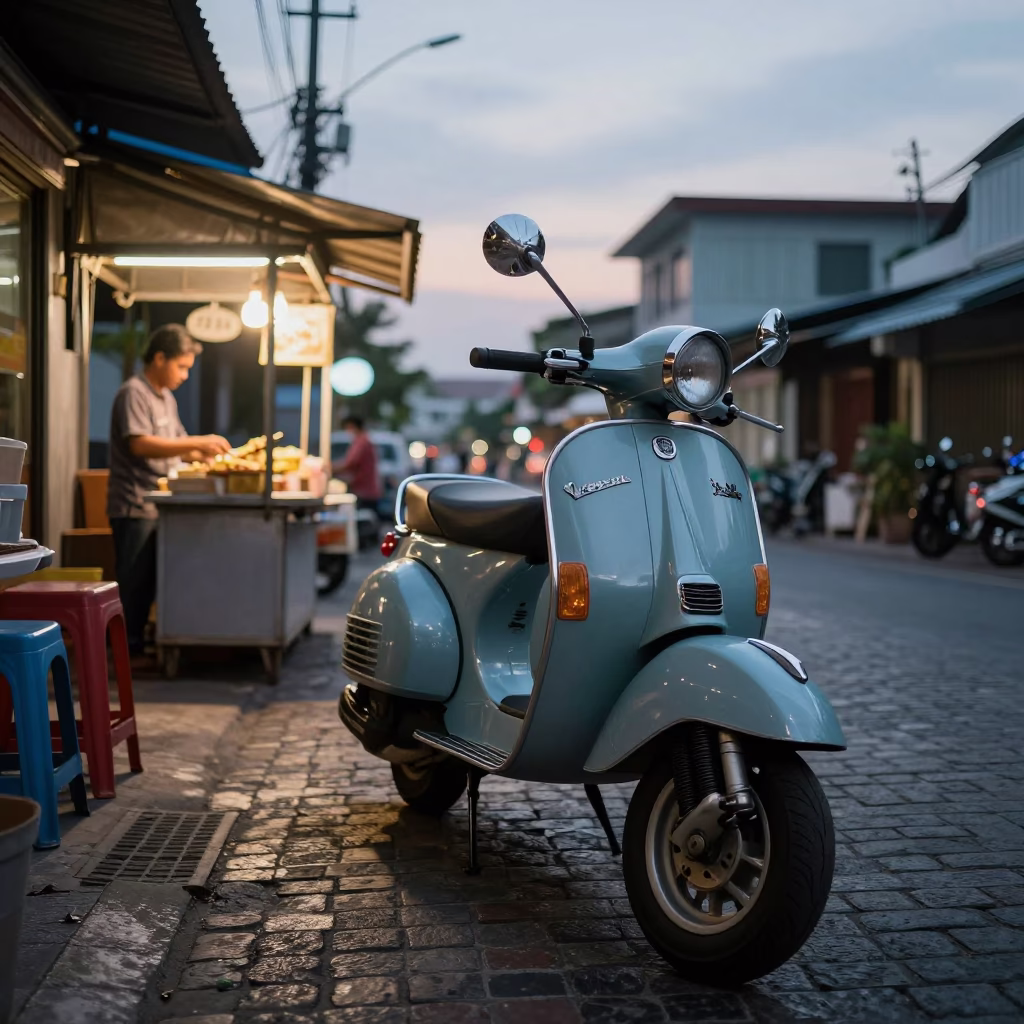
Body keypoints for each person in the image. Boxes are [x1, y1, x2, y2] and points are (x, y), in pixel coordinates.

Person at [107, 324, 231, 662]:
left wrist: (207, 453)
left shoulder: (166, 398)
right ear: (159, 358)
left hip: (160, 504)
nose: (185, 375)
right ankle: (123, 654)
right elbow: (140, 444)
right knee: (133, 584)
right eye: (182, 366)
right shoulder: (134, 392)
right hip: (134, 504)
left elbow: (176, 447)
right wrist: (196, 442)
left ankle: (139, 646)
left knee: (150, 582)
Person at [334, 415, 381, 510]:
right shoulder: (364, 441)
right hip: (367, 490)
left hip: (364, 492)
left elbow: (350, 464)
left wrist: (331, 468)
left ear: (353, 426)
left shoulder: (362, 443)